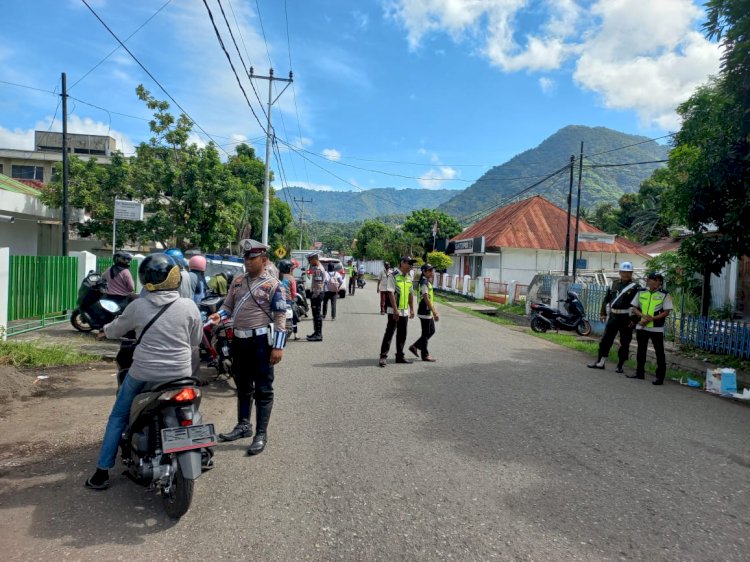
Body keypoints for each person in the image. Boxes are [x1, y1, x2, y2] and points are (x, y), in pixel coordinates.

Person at [85, 253, 202, 490]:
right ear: (175, 278)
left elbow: (116, 329)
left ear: (145, 279)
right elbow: (195, 339)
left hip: (143, 374)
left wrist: (103, 331)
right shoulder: (189, 306)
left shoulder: (138, 306)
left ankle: (101, 472)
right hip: (181, 374)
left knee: (118, 415)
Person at [210, 239, 287, 454]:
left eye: (252, 258)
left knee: (263, 389)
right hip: (239, 341)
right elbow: (228, 306)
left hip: (261, 342)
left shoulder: (273, 285)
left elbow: (281, 318)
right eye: (246, 258)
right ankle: (243, 424)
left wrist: (278, 347)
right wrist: (219, 314)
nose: (247, 262)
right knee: (243, 385)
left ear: (263, 259)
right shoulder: (237, 281)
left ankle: (261, 433)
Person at [587, 262, 641, 373]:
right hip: (613, 316)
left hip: (627, 317)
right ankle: (600, 362)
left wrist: (634, 320)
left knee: (625, 342)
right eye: (624, 272)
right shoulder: (614, 284)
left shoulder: (636, 287)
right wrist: (603, 313)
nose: (626, 274)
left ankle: (620, 365)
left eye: (628, 272)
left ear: (631, 273)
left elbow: (639, 305)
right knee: (606, 340)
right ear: (620, 272)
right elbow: (606, 299)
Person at [628, 272, 672, 385]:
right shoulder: (641, 292)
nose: (648, 280)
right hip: (642, 326)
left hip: (656, 328)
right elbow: (634, 308)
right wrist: (643, 316)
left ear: (658, 281)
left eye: (651, 279)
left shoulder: (665, 294)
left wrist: (652, 319)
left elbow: (666, 312)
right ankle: (639, 373)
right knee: (641, 350)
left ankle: (660, 377)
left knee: (659, 353)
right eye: (648, 278)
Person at [379, 256, 416, 367]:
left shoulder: (409, 277)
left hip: (404, 311)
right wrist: (395, 310)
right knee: (389, 333)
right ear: (402, 263)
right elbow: (390, 293)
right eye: (409, 263)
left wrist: (412, 309)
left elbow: (410, 294)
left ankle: (399, 356)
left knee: (402, 334)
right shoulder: (393, 276)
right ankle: (383, 357)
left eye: (412, 264)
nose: (411, 266)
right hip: (394, 311)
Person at [408, 263, 439, 362]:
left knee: (431, 330)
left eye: (432, 270)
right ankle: (425, 355)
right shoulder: (424, 282)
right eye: (429, 271)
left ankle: (415, 346)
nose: (431, 272)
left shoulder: (427, 282)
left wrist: (433, 310)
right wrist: (434, 311)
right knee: (426, 333)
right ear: (424, 272)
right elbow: (425, 297)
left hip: (427, 311)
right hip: (424, 310)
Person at [306, 251, 328, 342]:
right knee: (315, 315)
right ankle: (316, 332)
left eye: (310, 260)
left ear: (315, 259)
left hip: (317, 294)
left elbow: (318, 286)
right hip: (317, 294)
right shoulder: (317, 268)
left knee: (317, 315)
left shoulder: (318, 270)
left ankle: (318, 334)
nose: (309, 262)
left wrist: (314, 297)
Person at [278, 259, 299, 340]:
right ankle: (296, 334)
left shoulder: (277, 276)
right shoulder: (291, 278)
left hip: (278, 300)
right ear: (288, 268)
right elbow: (293, 293)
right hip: (288, 301)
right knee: (294, 316)